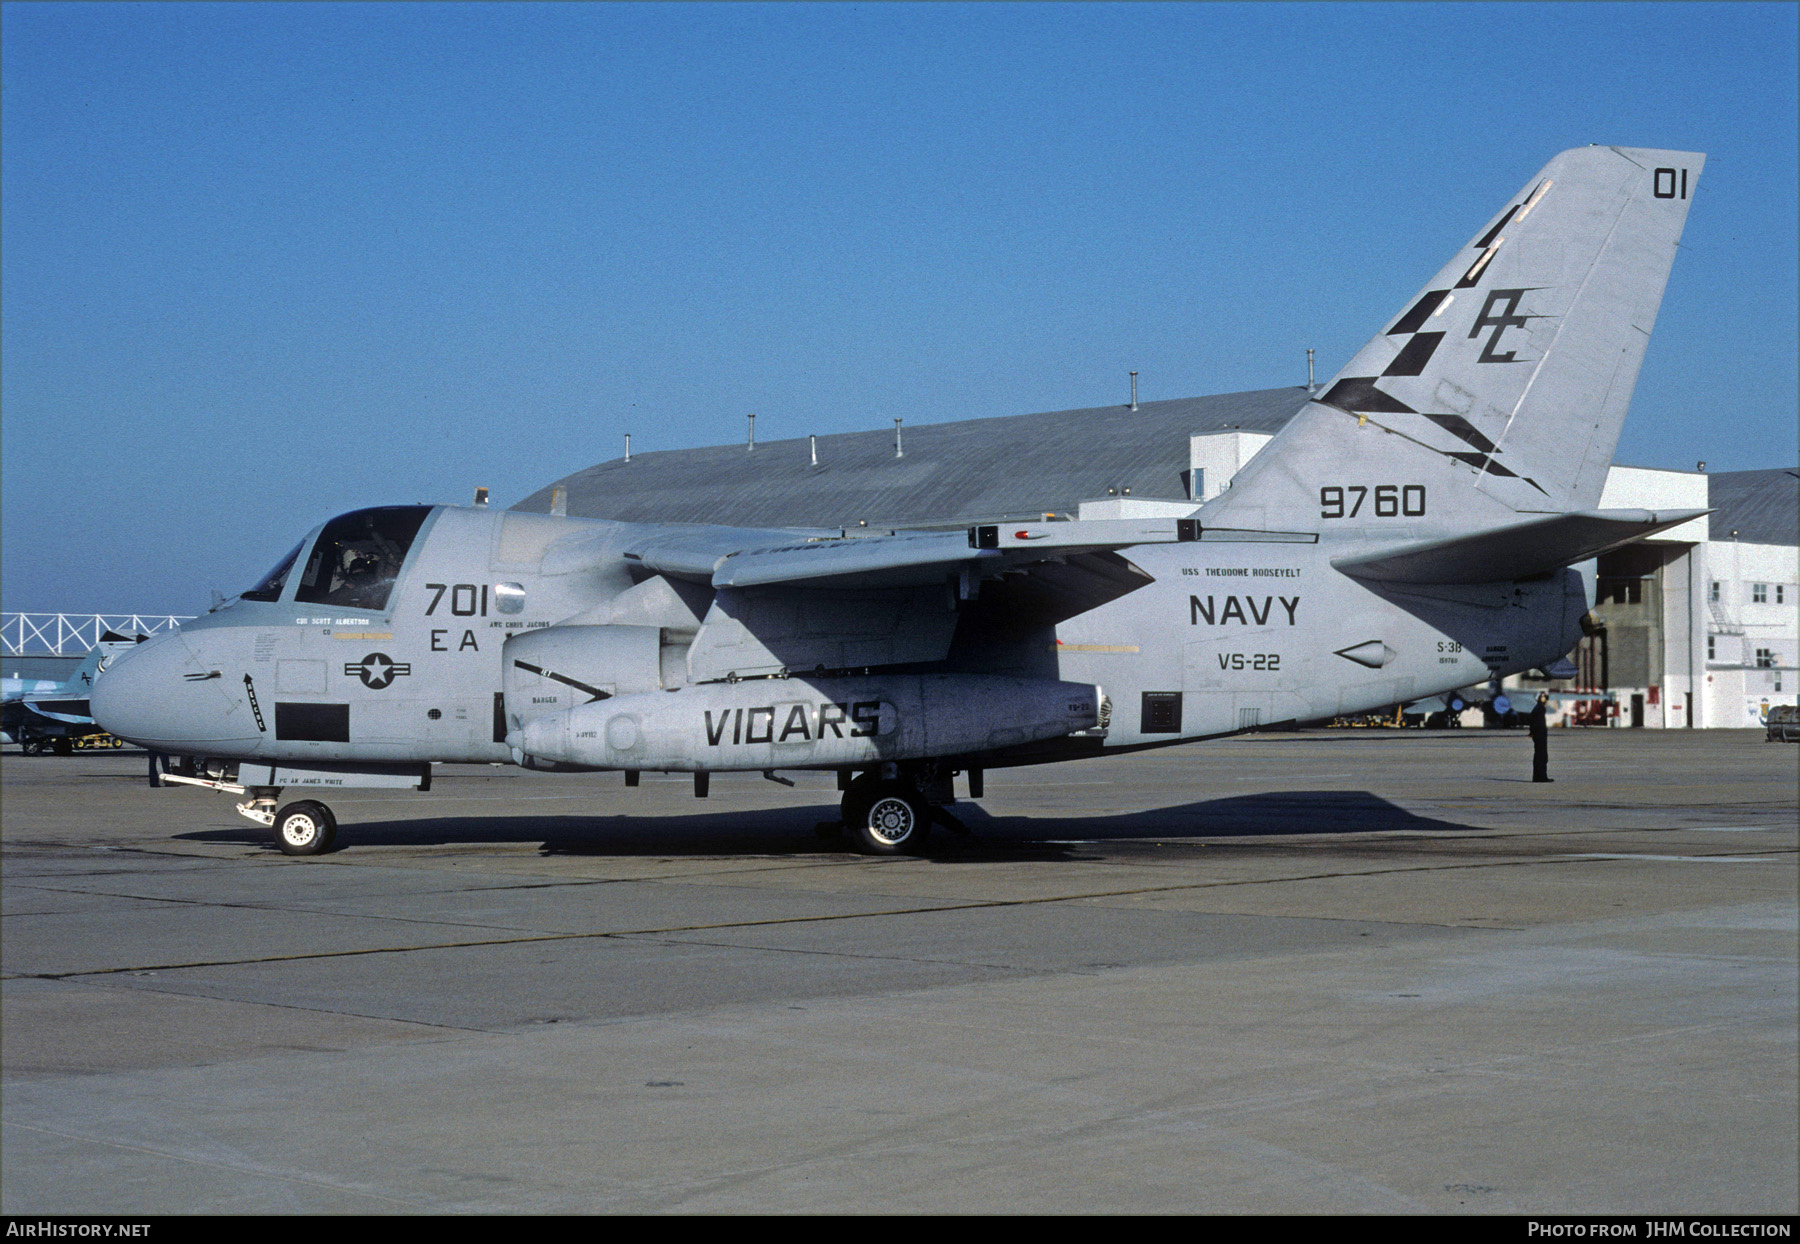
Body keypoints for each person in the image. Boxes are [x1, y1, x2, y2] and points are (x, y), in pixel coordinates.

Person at [1530, 691, 1552, 783]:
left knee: (1539, 756)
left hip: (1538, 735)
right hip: (1540, 735)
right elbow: (1538, 723)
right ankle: (1541, 777)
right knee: (1542, 756)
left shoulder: (1538, 708)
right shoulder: (1540, 709)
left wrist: (1532, 732)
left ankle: (1538, 777)